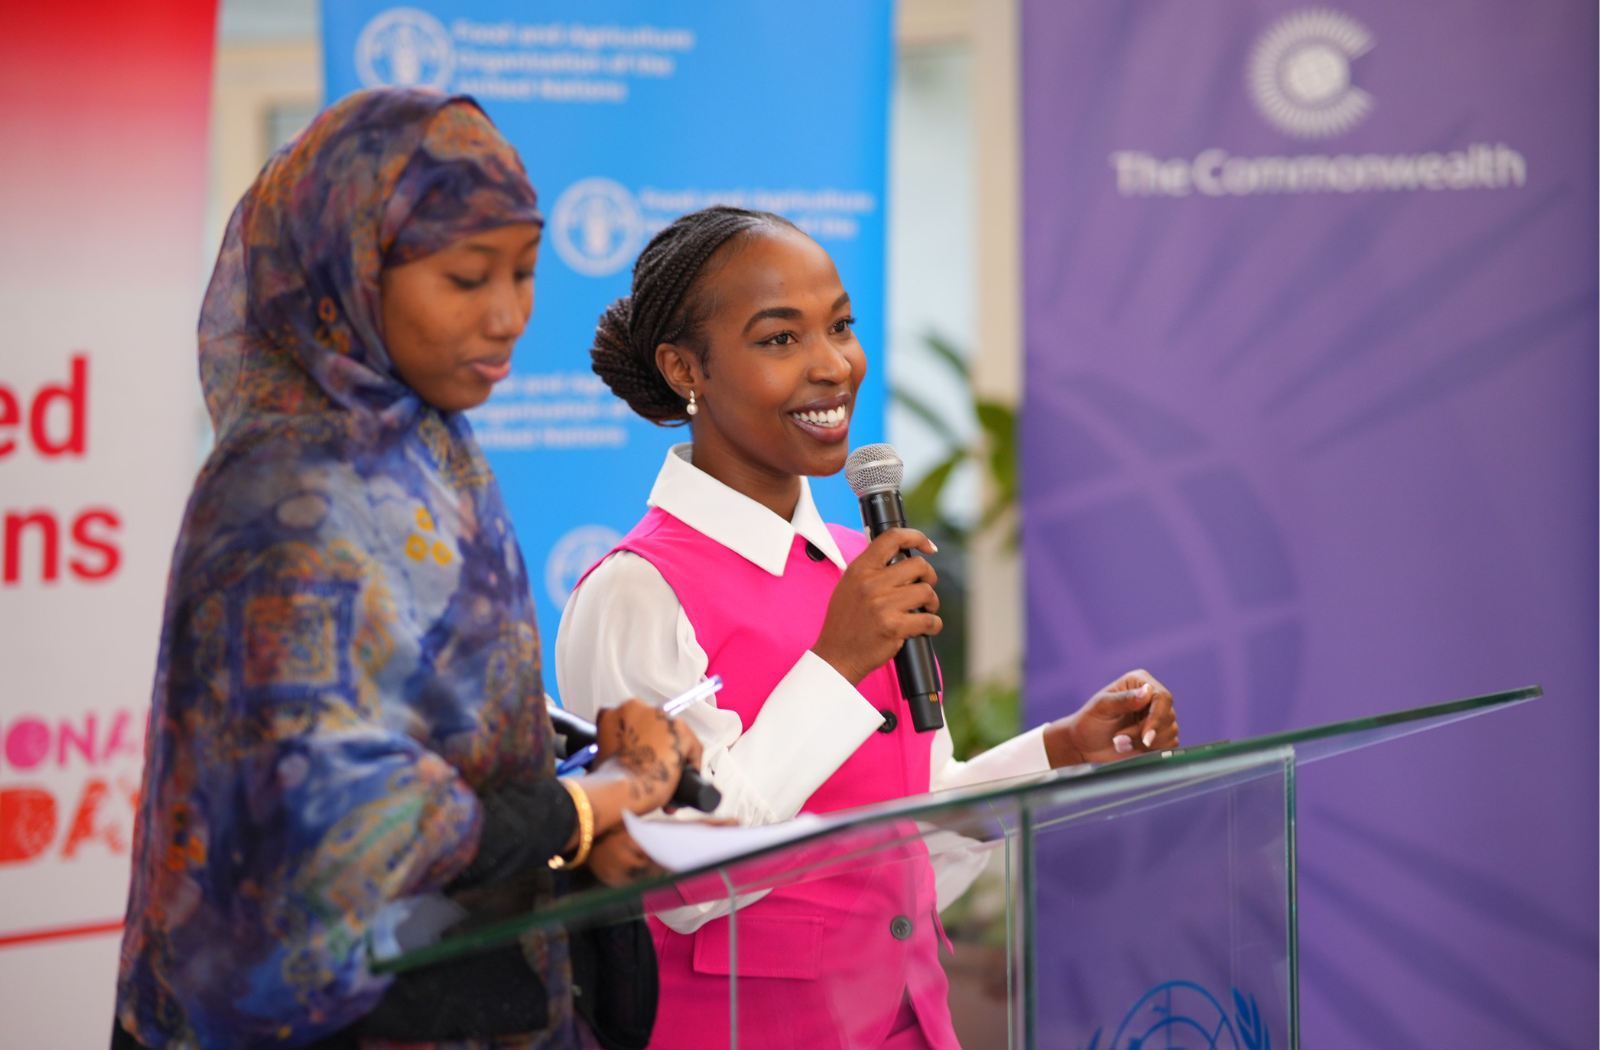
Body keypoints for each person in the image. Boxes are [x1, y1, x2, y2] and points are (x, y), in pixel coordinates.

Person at [113, 88, 701, 1050]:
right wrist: (595, 804)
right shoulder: (282, 496)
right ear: (346, 273)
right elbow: (348, 817)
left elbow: (432, 727)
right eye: (469, 277)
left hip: (461, 980)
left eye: (524, 272)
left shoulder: (432, 453)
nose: (510, 316)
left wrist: (598, 762)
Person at [555, 206, 1180, 1050]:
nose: (831, 365)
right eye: (780, 338)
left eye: (840, 326)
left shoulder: (859, 564)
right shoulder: (636, 590)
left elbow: (906, 831)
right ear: (682, 369)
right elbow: (683, 877)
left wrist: (1062, 751)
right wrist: (836, 662)